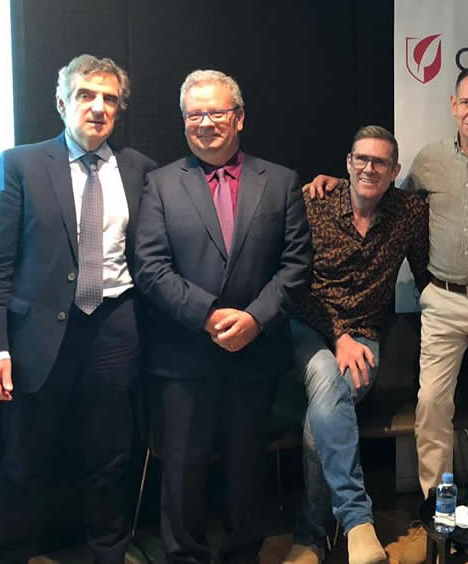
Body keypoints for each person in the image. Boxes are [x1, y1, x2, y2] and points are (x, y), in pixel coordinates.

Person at [302, 66, 468, 497]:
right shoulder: (428, 160)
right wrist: (340, 185)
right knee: (431, 404)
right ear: (453, 105)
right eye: (466, 102)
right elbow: (386, 196)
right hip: (443, 301)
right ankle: (435, 500)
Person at [0, 54, 157, 564]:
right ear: (61, 103)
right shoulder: (21, 165)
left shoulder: (141, 170)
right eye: (85, 95)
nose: (98, 107)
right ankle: (14, 554)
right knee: (24, 461)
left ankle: (108, 554)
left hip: (116, 329)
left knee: (112, 458)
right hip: (38, 337)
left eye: (109, 99)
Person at [133, 69, 312, 564]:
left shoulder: (280, 181)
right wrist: (209, 316)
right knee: (182, 472)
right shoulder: (160, 184)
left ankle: (242, 554)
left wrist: (254, 319)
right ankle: (184, 557)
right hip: (183, 355)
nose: (205, 123)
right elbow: (149, 267)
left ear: (240, 118)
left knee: (246, 469)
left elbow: (297, 267)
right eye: (195, 114)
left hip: (256, 353)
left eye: (216, 112)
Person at [283, 125, 428, 564]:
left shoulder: (409, 213)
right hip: (308, 329)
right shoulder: (314, 203)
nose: (369, 168)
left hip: (364, 335)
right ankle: (356, 521)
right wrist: (337, 336)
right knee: (327, 375)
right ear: (347, 164)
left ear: (395, 171)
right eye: (361, 159)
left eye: (380, 162)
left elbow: (426, 275)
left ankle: (311, 538)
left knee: (321, 418)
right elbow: (291, 285)